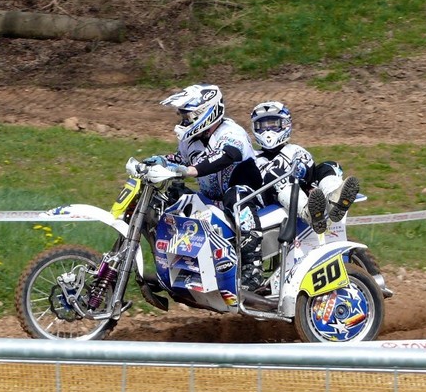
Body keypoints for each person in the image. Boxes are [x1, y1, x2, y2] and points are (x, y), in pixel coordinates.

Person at [150, 84, 266, 291]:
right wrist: (161, 161)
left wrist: (192, 170)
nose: (184, 121)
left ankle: (253, 268)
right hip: (211, 199)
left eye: (188, 116)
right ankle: (172, 264)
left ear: (206, 113)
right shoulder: (190, 141)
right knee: (175, 196)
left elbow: (227, 154)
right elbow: (181, 159)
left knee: (236, 196)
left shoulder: (231, 132)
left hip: (248, 198)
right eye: (183, 116)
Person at [250, 100, 360, 235]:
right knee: (274, 175)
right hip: (268, 201)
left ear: (285, 124)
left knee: (329, 166)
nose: (268, 130)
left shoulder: (294, 150)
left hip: (301, 193)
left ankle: (334, 200)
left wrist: (302, 169)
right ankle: (307, 212)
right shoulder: (253, 156)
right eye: (262, 125)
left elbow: (310, 172)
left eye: (273, 124)